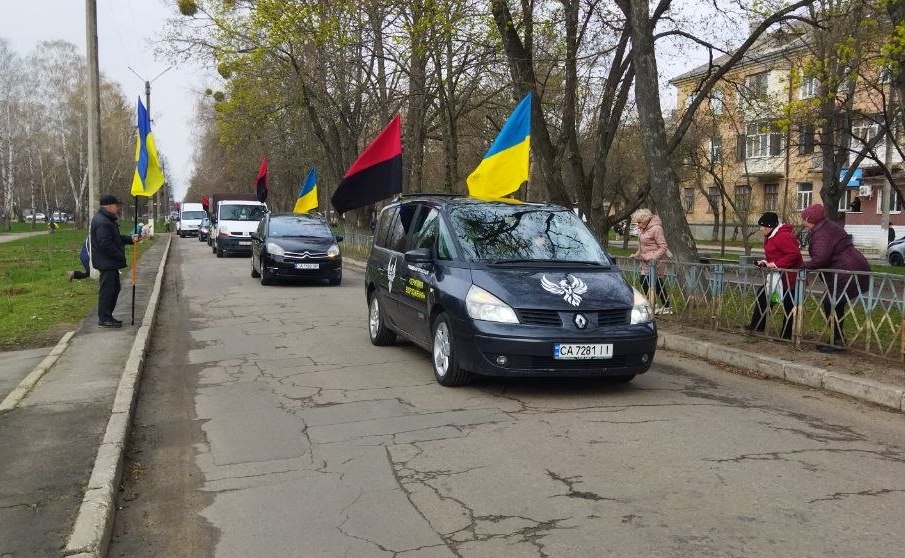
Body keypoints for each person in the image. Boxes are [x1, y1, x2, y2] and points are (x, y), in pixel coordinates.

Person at [800, 203, 870, 352]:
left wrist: (803, 267)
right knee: (834, 303)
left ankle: (837, 341)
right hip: (850, 267)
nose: (802, 222)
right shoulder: (827, 227)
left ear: (809, 218)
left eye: (803, 219)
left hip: (846, 271)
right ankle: (837, 338)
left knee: (830, 302)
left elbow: (820, 259)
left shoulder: (821, 233)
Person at [746, 212, 803, 339]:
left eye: (762, 227)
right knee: (764, 295)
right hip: (778, 278)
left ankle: (787, 335)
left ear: (769, 226)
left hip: (791, 279)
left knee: (789, 304)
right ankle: (758, 326)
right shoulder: (771, 236)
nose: (760, 229)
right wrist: (765, 262)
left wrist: (775, 264)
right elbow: (775, 254)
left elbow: (794, 254)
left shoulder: (783, 236)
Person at [90, 194, 140, 328]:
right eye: (116, 205)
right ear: (109, 206)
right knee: (107, 291)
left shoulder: (107, 220)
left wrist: (131, 239)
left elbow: (116, 238)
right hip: (107, 262)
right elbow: (105, 243)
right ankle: (104, 318)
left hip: (109, 262)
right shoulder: (102, 222)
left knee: (114, 289)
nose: (117, 208)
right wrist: (119, 256)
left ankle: (108, 316)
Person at [630, 208, 672, 314]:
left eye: (639, 222)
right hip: (645, 261)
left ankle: (666, 307)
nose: (638, 225)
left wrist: (653, 257)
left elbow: (663, 247)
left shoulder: (656, 228)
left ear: (646, 220)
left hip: (655, 261)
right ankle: (654, 304)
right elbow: (642, 246)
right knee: (646, 281)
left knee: (655, 282)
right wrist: (636, 255)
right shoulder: (643, 229)